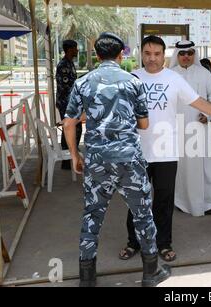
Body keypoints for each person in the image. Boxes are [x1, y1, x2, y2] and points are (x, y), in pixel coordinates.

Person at [119, 36, 211, 262]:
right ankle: (134, 242)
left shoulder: (174, 79)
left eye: (157, 54)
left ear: (163, 55)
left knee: (163, 201)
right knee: (136, 201)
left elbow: (201, 102)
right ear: (141, 54)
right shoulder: (132, 79)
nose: (152, 59)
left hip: (167, 152)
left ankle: (163, 243)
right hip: (137, 152)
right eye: (148, 54)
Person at [63, 32, 171, 287]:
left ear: (97, 55)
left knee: (92, 215)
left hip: (98, 160)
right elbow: (144, 124)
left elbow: (69, 123)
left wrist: (75, 155)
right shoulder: (133, 82)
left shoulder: (83, 83)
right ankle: (150, 273)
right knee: (143, 214)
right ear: (121, 54)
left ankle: (87, 279)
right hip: (129, 160)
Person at [169, 41, 211, 217]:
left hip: (200, 127)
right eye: (182, 54)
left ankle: (208, 202)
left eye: (190, 53)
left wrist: (209, 114)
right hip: (178, 129)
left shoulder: (204, 73)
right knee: (181, 168)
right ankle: (181, 201)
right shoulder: (170, 74)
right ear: (177, 55)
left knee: (205, 166)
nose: (186, 57)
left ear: (194, 55)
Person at [56, 40, 82, 169]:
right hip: (66, 103)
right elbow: (67, 87)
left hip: (70, 102)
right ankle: (68, 160)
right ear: (70, 49)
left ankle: (70, 158)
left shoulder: (70, 63)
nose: (77, 50)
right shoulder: (64, 65)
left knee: (74, 129)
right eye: (75, 48)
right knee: (70, 129)